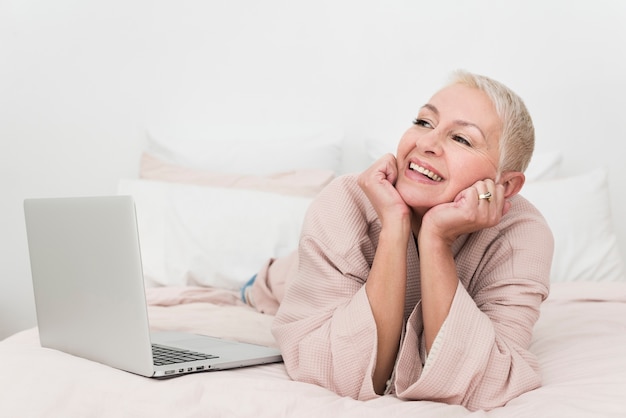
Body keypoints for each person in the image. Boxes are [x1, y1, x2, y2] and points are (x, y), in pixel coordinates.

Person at [242, 70, 553, 411]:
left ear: (505, 186)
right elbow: (338, 375)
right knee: (276, 278)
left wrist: (436, 238)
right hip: (283, 280)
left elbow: (487, 383)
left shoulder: (523, 232)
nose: (426, 144)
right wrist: (394, 224)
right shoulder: (346, 201)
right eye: (423, 122)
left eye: (461, 139)